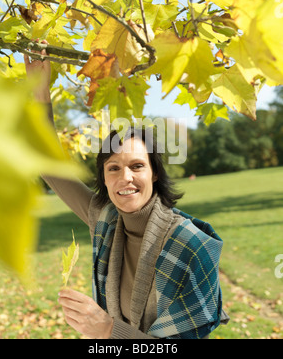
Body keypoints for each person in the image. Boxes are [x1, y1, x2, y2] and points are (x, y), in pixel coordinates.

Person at [25, 48, 229, 339]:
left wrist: (108, 330)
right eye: (113, 168)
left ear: (154, 173)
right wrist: (39, 92)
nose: (125, 178)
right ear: (104, 179)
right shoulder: (105, 219)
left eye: (137, 166)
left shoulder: (192, 245)